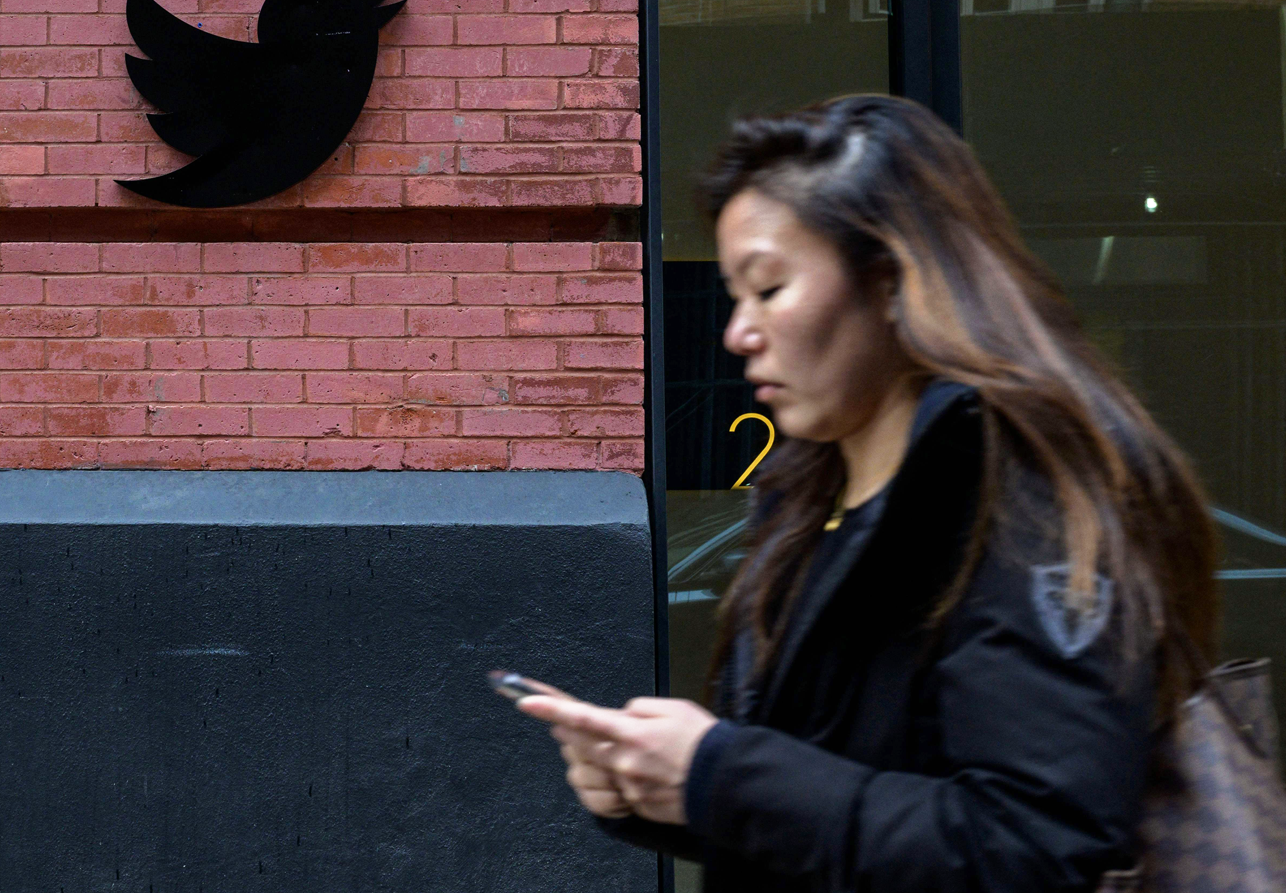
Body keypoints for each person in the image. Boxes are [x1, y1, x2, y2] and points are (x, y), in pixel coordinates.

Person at [518, 96, 1220, 891]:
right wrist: (665, 791)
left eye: (770, 287)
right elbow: (836, 800)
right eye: (734, 294)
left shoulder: (1017, 498)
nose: (737, 332)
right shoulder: (807, 494)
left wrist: (722, 774)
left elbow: (1031, 847)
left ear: (891, 281)